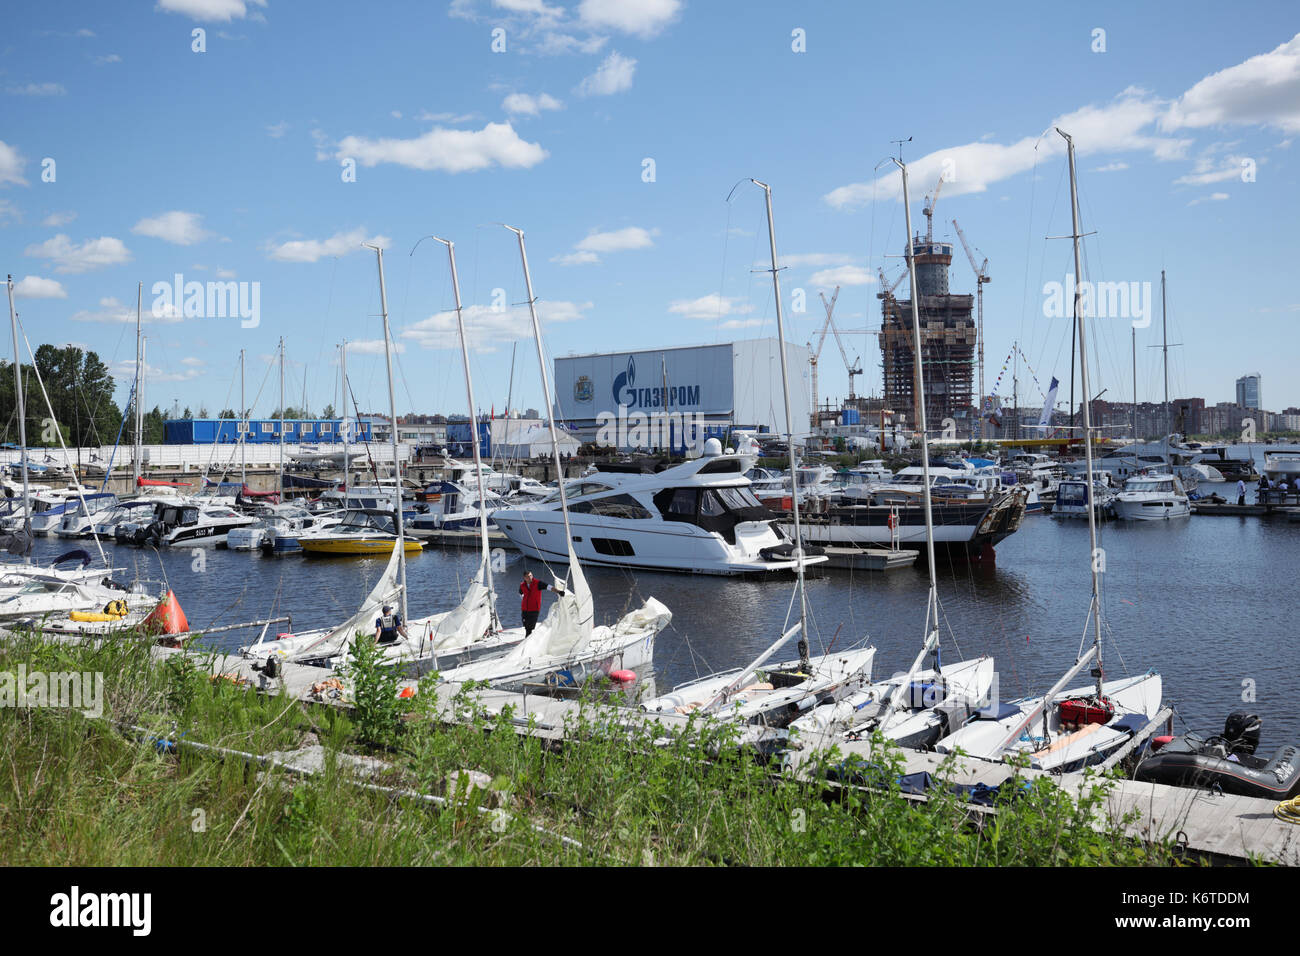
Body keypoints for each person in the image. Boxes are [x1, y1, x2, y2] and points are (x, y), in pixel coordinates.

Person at [519, 570, 552, 636]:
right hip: (525, 609)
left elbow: (548, 587)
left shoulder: (537, 583)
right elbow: (520, 592)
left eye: (531, 575)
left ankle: (527, 642)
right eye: (528, 576)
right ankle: (527, 640)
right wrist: (524, 599)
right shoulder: (522, 585)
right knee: (526, 626)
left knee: (529, 628)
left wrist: (559, 592)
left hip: (534, 609)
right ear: (524, 578)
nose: (530, 577)